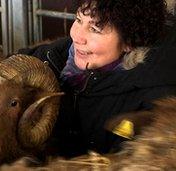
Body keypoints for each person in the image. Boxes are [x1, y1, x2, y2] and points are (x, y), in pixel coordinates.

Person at [18, 0, 176, 157]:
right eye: (79, 20)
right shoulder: (56, 56)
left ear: (129, 41)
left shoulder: (156, 98)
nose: (77, 36)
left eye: (94, 29)